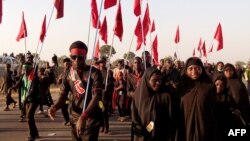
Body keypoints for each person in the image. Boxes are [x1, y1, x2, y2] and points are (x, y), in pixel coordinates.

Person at [48, 41, 103, 141]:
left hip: (90, 117)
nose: (77, 60)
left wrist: (84, 117)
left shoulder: (94, 73)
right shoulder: (68, 73)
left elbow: (97, 96)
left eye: (80, 57)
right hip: (75, 116)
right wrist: (55, 107)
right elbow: (63, 95)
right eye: (74, 57)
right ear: (70, 57)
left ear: (85, 57)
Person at [175, 57, 221, 141]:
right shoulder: (181, 87)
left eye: (197, 68)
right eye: (191, 69)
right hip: (185, 126)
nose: (194, 71)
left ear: (202, 70)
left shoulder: (209, 87)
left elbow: (214, 109)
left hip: (204, 126)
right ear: (186, 70)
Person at [131, 67, 176, 141]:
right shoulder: (139, 96)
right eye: (154, 80)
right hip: (142, 135)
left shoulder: (166, 96)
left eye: (160, 80)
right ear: (147, 80)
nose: (158, 83)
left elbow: (171, 118)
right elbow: (135, 117)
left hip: (161, 135)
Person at [12, 62, 40, 141]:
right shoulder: (23, 76)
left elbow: (33, 90)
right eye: (24, 69)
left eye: (26, 69)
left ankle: (32, 135)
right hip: (26, 99)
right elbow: (19, 83)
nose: (24, 70)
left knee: (28, 116)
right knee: (30, 117)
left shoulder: (34, 77)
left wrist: (27, 98)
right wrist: (13, 87)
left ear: (30, 69)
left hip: (34, 99)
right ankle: (36, 133)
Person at [223, 63, 250, 128]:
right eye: (226, 70)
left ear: (234, 71)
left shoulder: (239, 82)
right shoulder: (222, 82)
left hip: (241, 109)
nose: (229, 72)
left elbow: (245, 97)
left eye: (231, 70)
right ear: (224, 72)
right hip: (227, 111)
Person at [57, 57, 72, 126]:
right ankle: (67, 119)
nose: (67, 65)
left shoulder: (73, 73)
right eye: (66, 64)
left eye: (68, 64)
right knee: (63, 107)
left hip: (71, 94)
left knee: (72, 107)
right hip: (63, 93)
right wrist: (59, 80)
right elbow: (58, 83)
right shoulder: (62, 73)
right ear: (63, 65)